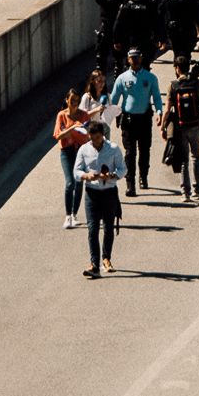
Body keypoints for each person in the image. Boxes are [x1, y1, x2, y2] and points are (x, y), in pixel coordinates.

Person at [72, 118, 126, 277]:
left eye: (97, 138)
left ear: (103, 135)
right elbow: (76, 171)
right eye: (91, 138)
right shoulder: (84, 150)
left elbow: (123, 168)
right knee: (92, 229)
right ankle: (94, 264)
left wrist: (113, 175)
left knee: (108, 227)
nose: (94, 141)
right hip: (91, 193)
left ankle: (106, 258)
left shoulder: (114, 149)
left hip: (109, 192)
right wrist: (86, 175)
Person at [108, 47, 161, 196]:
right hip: (129, 120)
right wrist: (107, 114)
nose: (135, 59)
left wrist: (159, 112)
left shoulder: (150, 78)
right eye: (132, 57)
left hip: (144, 119)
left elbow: (156, 97)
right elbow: (114, 98)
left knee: (145, 150)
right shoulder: (122, 78)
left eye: (137, 57)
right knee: (130, 153)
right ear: (128, 59)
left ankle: (143, 177)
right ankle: (130, 183)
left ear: (141, 58)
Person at [160, 55, 199, 202]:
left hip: (181, 126)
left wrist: (163, 125)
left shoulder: (173, 85)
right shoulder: (196, 83)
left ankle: (185, 192)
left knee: (184, 158)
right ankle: (197, 188)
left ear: (177, 68)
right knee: (196, 156)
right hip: (196, 124)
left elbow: (167, 109)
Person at [53, 87, 90, 228]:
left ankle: (74, 214)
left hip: (81, 152)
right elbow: (58, 135)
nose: (75, 103)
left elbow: (87, 135)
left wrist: (75, 131)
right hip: (67, 152)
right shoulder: (61, 115)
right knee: (70, 183)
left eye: (77, 100)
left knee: (79, 182)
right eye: (72, 100)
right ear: (66, 100)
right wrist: (73, 128)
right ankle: (68, 216)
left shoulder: (84, 115)